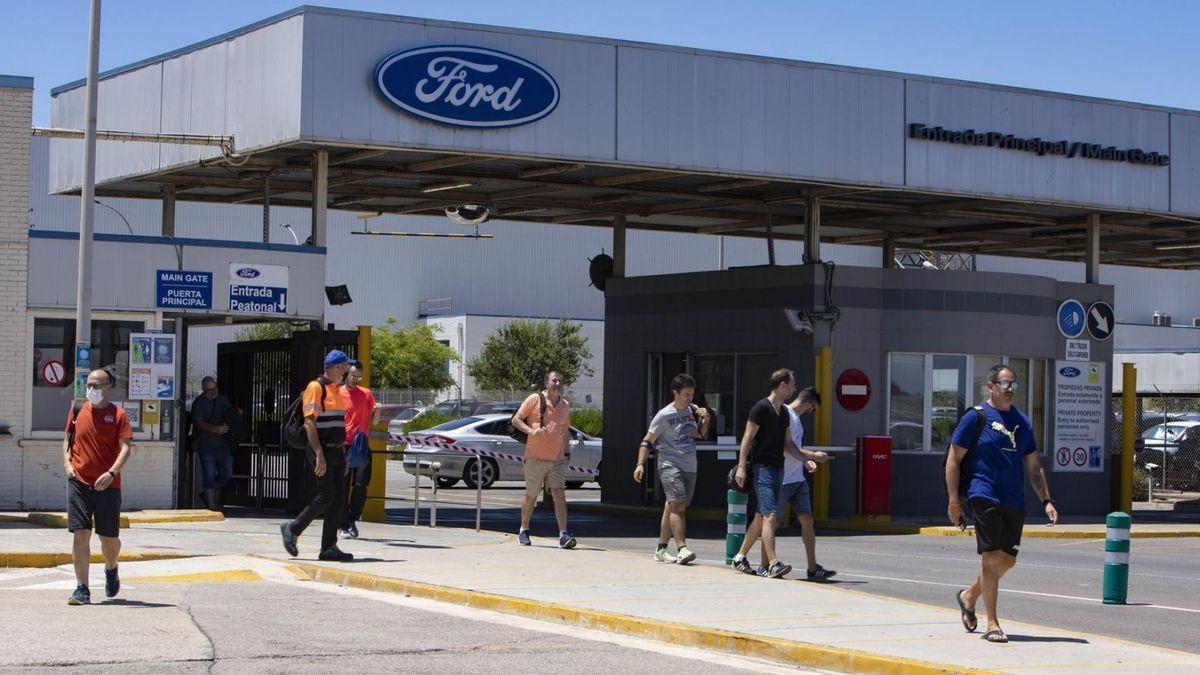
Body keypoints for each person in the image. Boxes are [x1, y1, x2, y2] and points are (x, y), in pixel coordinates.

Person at [947, 364, 1058, 644]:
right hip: (983, 493)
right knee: (991, 556)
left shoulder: (1022, 423)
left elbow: (1033, 468)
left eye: (1014, 385)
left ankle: (969, 595)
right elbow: (954, 460)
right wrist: (953, 502)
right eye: (1005, 384)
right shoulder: (976, 417)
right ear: (991, 386)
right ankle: (992, 623)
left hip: (1014, 499)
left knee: (1007, 560)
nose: (1010, 390)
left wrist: (1046, 500)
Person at [63, 369, 133, 605]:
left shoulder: (119, 415)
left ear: (108, 388)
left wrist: (112, 472)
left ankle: (111, 567)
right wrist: (67, 464)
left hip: (107, 485)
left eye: (96, 385)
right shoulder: (77, 409)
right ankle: (82, 588)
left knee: (108, 539)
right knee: (81, 534)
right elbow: (67, 441)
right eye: (88, 384)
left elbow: (126, 448)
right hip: (79, 482)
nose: (91, 389)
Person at [731, 368, 808, 579]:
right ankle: (773, 563)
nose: (794, 389)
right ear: (782, 385)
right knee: (770, 515)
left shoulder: (783, 413)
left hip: (778, 468)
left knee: (759, 517)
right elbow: (747, 438)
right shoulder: (760, 408)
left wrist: (804, 460)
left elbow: (789, 442)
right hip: (762, 468)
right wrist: (742, 467)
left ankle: (739, 558)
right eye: (792, 384)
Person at [280, 350, 353, 562]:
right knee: (327, 494)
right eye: (343, 368)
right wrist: (319, 454)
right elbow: (309, 422)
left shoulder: (336, 390)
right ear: (335, 367)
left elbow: (338, 425)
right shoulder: (316, 387)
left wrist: (344, 456)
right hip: (321, 450)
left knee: (337, 499)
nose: (345, 372)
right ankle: (292, 528)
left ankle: (329, 547)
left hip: (336, 451)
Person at [633, 373, 711, 565]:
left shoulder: (692, 410)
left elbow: (698, 434)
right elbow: (647, 440)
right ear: (675, 393)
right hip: (669, 463)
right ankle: (682, 548)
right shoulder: (663, 415)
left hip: (690, 464)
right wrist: (640, 464)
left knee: (673, 505)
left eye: (692, 394)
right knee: (678, 505)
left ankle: (661, 549)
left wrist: (706, 420)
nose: (690, 398)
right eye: (686, 394)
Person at [513, 370, 576, 549]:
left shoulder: (564, 405)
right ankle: (524, 529)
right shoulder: (535, 399)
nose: (557, 384)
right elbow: (516, 420)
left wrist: (565, 454)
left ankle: (563, 534)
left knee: (559, 494)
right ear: (547, 383)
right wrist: (532, 431)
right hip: (535, 458)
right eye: (554, 381)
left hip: (556, 460)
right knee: (531, 495)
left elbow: (564, 432)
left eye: (560, 382)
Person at [779, 386, 835, 580]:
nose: (811, 413)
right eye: (813, 409)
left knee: (807, 521)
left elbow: (796, 448)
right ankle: (753, 559)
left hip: (797, 478)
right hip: (783, 478)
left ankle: (812, 567)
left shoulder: (795, 419)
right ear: (809, 403)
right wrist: (812, 456)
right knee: (769, 522)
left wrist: (806, 460)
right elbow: (787, 447)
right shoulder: (785, 414)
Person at [339, 361, 380, 540]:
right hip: (344, 443)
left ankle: (352, 518)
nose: (355, 379)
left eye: (359, 376)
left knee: (361, 485)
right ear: (347, 374)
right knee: (343, 485)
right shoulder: (338, 392)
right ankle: (343, 524)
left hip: (361, 444)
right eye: (353, 375)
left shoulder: (366, 394)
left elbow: (375, 422)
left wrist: (377, 411)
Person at [190, 376, 236, 511]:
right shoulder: (199, 403)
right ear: (203, 390)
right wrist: (214, 429)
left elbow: (230, 414)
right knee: (208, 474)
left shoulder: (223, 400)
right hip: (206, 444)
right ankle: (211, 504)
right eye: (209, 389)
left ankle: (209, 492)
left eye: (214, 388)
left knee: (227, 472)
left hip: (223, 444)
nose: (213, 391)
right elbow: (198, 421)